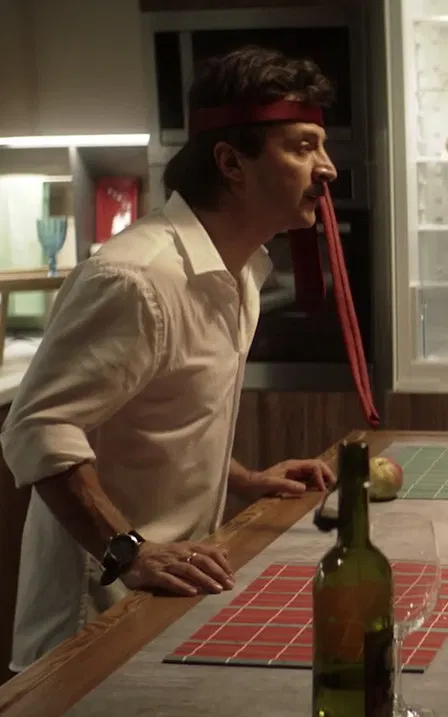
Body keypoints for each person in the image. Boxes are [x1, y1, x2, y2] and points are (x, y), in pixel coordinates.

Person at [0, 45, 343, 672]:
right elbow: (38, 427)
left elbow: (158, 413)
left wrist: (242, 479)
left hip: (166, 594)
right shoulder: (136, 278)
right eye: (303, 147)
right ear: (230, 163)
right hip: (93, 616)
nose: (328, 169)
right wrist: (129, 552)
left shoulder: (240, 271)